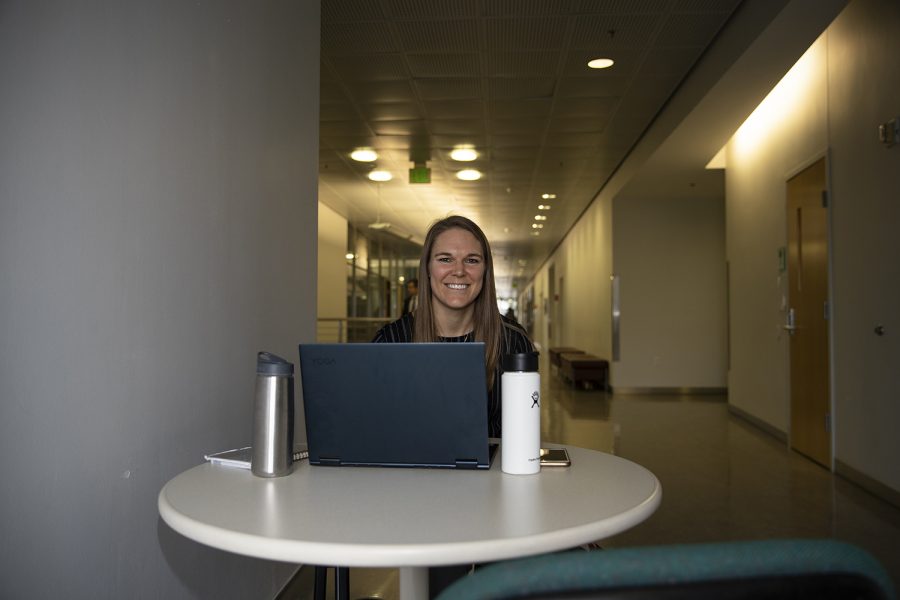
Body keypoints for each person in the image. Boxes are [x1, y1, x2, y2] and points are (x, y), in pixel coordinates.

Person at [372, 215, 534, 438]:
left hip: (495, 470)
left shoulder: (514, 342)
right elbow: (377, 430)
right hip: (412, 471)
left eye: (472, 260)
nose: (459, 270)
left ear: (485, 271)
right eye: (445, 259)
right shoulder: (390, 341)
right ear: (427, 268)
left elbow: (525, 433)